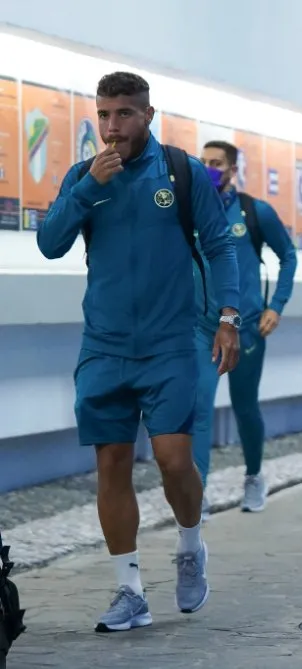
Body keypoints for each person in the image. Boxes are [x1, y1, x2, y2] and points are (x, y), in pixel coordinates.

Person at [35, 72, 240, 633]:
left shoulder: (180, 171)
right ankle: (129, 591)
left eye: (123, 114)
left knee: (176, 460)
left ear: (148, 115)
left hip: (170, 344)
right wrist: (85, 188)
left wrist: (227, 318)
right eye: (102, 115)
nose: (111, 126)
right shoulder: (85, 175)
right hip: (104, 347)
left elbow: (221, 246)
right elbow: (50, 243)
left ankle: (191, 543)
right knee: (112, 465)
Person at [192, 140, 299, 516]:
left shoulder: (255, 212)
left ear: (232, 170)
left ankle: (254, 476)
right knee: (199, 406)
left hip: (246, 327)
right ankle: (196, 493)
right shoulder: (189, 209)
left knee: (244, 406)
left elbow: (288, 256)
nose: (207, 168)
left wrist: (277, 306)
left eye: (216, 163)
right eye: (202, 161)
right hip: (202, 328)